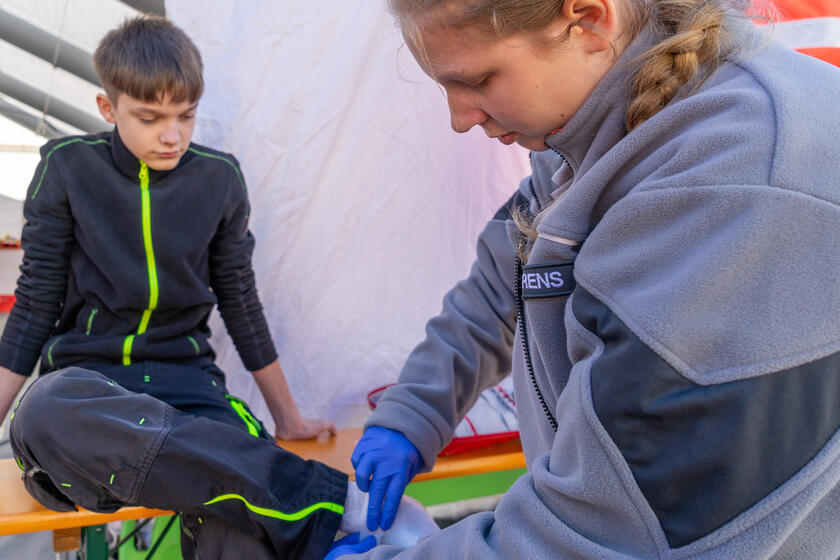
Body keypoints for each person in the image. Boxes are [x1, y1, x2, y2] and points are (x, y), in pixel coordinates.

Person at [340, 0, 840, 557]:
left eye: (479, 80)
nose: (459, 118)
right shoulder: (579, 142)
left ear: (589, 20)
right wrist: (413, 413)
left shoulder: (742, 179)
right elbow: (503, 285)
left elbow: (620, 526)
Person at [0, 15, 357, 560]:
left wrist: (288, 417)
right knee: (43, 411)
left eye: (185, 116)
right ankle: (318, 501)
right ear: (107, 108)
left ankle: (248, 479)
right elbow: (32, 311)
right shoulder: (66, 169)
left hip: (187, 386)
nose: (172, 135)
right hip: (90, 392)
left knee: (238, 526)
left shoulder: (219, 179)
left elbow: (241, 304)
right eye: (149, 117)